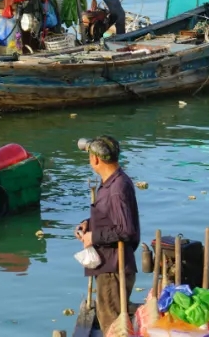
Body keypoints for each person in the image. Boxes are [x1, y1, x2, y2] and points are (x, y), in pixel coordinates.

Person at [75, 136, 140, 330]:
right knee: (110, 321)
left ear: (95, 159)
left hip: (114, 269)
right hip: (109, 266)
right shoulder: (111, 182)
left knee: (112, 326)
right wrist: (89, 224)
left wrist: (93, 237)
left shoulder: (117, 188)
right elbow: (111, 218)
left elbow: (125, 230)